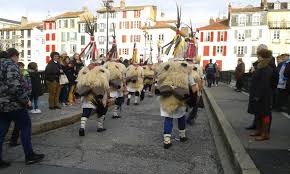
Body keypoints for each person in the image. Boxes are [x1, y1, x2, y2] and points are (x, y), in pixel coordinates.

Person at [0, 48, 44, 168]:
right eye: (17, 57)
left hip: (1, 105)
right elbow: (15, 86)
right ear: (13, 56)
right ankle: (29, 156)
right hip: (14, 104)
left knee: (1, 131)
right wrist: (26, 101)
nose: (17, 59)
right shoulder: (10, 65)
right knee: (25, 126)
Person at [247, 48, 273, 141]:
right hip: (258, 94)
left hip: (263, 96)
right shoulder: (261, 67)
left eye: (259, 56)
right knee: (258, 114)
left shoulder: (267, 69)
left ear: (263, 57)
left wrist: (258, 95)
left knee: (264, 115)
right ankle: (259, 130)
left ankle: (265, 133)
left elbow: (264, 84)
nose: (258, 57)